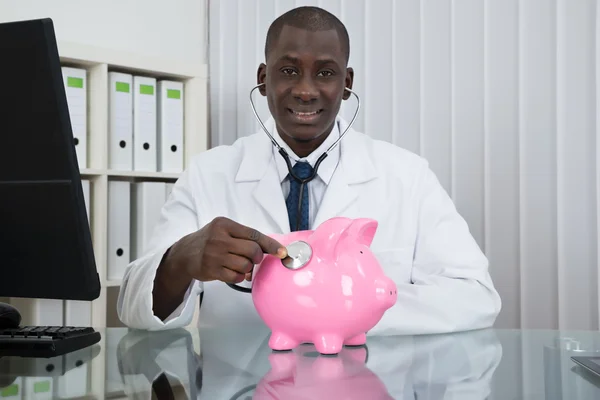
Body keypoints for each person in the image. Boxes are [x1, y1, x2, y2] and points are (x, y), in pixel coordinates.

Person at [117, 6, 501, 334]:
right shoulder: (209, 173)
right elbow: (133, 308)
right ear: (263, 79)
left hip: (367, 383)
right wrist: (180, 260)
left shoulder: (407, 176)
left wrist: (345, 306)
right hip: (242, 385)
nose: (305, 90)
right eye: (288, 71)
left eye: (325, 73)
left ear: (346, 84)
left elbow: (475, 296)